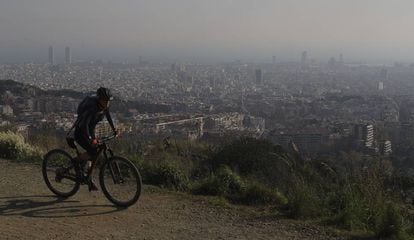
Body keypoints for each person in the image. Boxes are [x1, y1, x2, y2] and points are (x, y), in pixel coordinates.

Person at [73, 87, 118, 191]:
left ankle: (86, 175)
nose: (107, 103)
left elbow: (108, 116)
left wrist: (114, 129)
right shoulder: (92, 108)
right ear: (99, 99)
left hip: (91, 129)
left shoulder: (104, 106)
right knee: (93, 151)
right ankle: (76, 161)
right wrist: (90, 138)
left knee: (95, 152)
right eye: (104, 101)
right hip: (81, 131)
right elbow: (84, 125)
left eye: (108, 101)